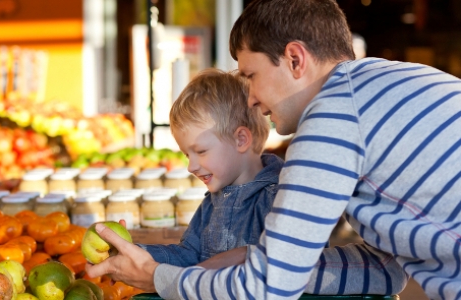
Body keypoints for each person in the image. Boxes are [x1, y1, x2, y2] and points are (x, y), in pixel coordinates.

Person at [87, 0, 461, 299]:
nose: (249, 99)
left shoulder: (333, 116)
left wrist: (159, 278)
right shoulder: (392, 81)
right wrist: (258, 259)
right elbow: (386, 269)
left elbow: (266, 288)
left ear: (295, 59)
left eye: (250, 76)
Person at [139, 69, 283, 267]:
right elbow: (188, 255)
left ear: (240, 139)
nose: (191, 166)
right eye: (187, 155)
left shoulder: (279, 198)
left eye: (201, 151)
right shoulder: (211, 203)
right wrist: (136, 253)